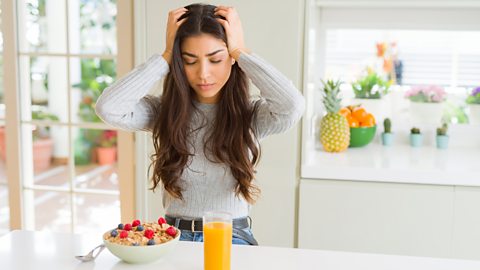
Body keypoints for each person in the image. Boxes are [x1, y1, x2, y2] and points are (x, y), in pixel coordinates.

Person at [95, 4, 305, 245]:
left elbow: (293, 105)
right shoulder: (164, 112)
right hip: (173, 236)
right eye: (189, 61)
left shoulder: (251, 115)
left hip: (231, 235)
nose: (203, 73)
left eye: (216, 59)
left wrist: (240, 50)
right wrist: (165, 57)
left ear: (232, 60)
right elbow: (108, 108)